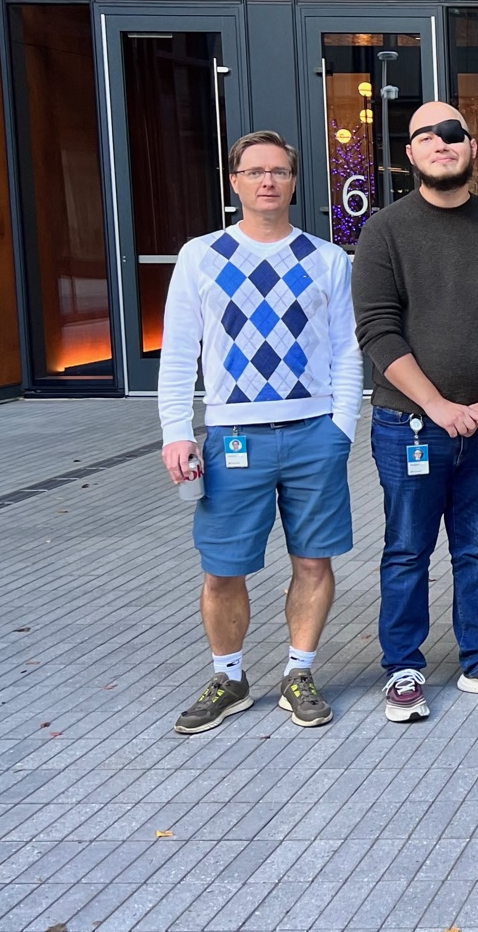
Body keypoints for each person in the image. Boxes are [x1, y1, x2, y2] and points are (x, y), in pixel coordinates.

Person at [158, 131, 362, 735]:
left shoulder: (328, 258)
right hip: (231, 438)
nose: (267, 181)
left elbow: (348, 352)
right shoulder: (201, 256)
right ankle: (230, 676)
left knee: (313, 561)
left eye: (278, 171)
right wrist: (176, 431)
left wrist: (340, 430)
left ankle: (299, 673)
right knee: (222, 568)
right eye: (254, 171)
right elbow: (177, 353)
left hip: (312, 433)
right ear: (235, 181)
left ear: (294, 182)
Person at [354, 101, 478, 721]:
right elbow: (378, 332)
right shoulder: (385, 231)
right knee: (407, 549)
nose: (442, 143)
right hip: (409, 424)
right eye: (426, 135)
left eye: (453, 133)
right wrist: (436, 405)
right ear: (409, 153)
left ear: (472, 147)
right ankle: (404, 667)